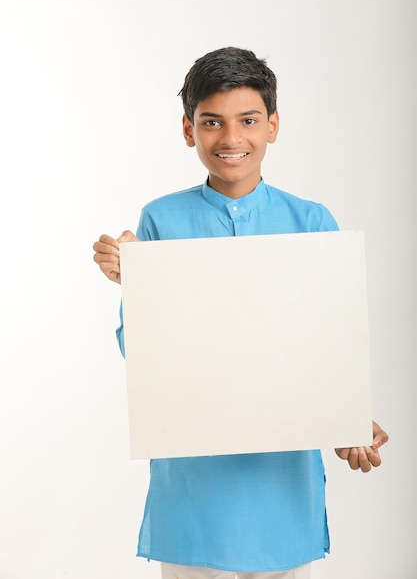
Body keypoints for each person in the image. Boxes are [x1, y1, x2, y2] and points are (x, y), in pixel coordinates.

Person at [93, 47, 388, 579]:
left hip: (282, 483)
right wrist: (135, 284)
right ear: (189, 130)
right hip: (193, 485)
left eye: (248, 120)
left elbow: (326, 345)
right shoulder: (160, 220)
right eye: (212, 123)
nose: (231, 139)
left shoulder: (311, 221)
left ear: (272, 126)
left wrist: (347, 418)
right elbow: (142, 356)